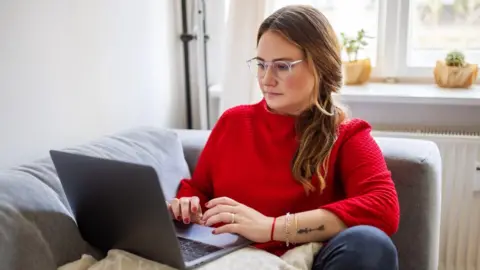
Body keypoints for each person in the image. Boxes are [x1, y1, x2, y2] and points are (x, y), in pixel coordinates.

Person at [168, 4, 400, 270]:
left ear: (319, 66)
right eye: (261, 65)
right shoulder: (233, 122)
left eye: (282, 66)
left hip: (300, 261)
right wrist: (188, 203)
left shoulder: (347, 135)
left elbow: (383, 207)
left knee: (371, 244)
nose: (266, 79)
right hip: (227, 259)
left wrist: (273, 228)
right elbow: (199, 188)